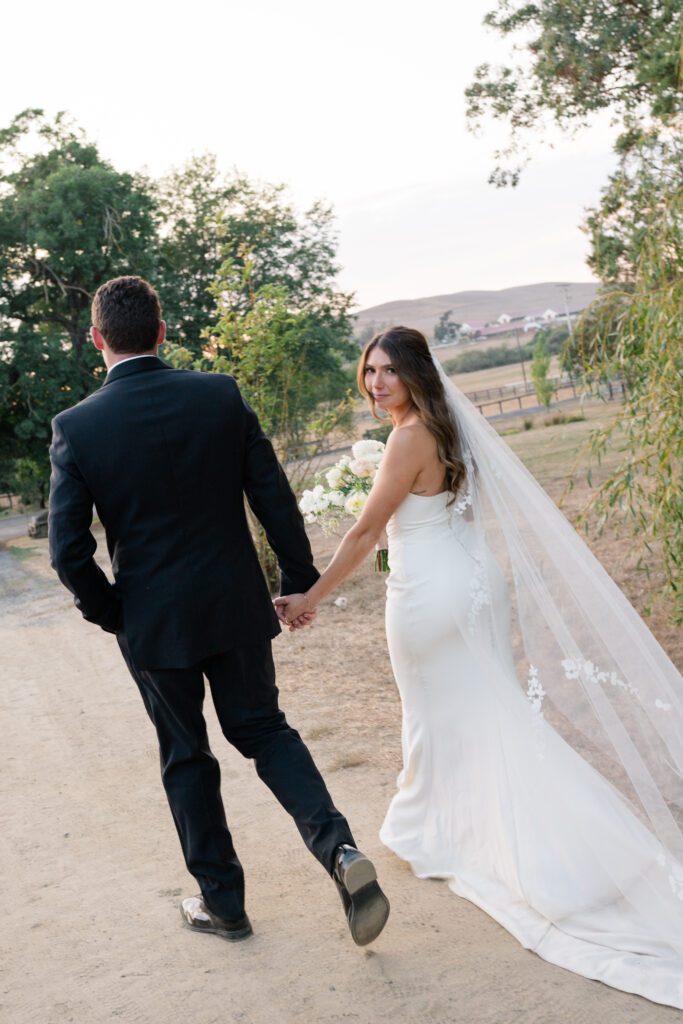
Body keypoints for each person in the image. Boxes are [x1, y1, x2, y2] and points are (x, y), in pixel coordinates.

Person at [275, 326, 683, 1009]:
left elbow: (365, 531)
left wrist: (312, 596)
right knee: (489, 715)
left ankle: (440, 830)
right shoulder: (447, 427)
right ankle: (443, 822)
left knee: (437, 714)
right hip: (473, 584)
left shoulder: (406, 438)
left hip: (428, 597)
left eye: (388, 371)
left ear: (413, 374)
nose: (376, 382)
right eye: (369, 370)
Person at [48, 275, 390, 947]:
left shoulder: (78, 426)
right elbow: (272, 496)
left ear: (97, 340)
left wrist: (114, 612)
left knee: (185, 754)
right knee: (263, 730)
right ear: (162, 330)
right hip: (235, 607)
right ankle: (339, 852)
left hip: (153, 625)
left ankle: (223, 906)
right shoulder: (218, 395)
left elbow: (67, 551)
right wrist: (296, 579)